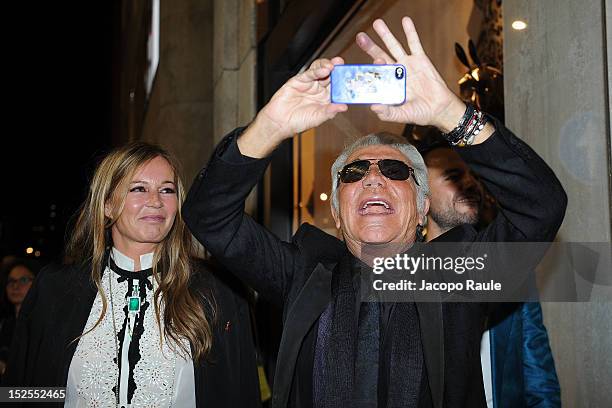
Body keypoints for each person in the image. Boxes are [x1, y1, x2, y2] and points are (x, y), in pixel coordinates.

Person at [183, 16, 567, 407]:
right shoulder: (300, 273)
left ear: (422, 210)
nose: (372, 178)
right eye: (354, 172)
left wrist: (449, 113)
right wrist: (270, 126)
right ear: (336, 210)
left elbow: (541, 205)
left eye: (395, 170)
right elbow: (208, 216)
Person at [3, 142, 261, 407]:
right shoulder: (55, 288)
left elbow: (239, 394)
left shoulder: (216, 292)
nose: (156, 201)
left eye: (167, 190)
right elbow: (20, 391)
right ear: (107, 205)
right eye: (139, 188)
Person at [423, 144, 561, 407]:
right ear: (422, 197)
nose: (470, 183)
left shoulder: (512, 270)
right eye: (453, 176)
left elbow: (539, 379)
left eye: (474, 176)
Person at [0, 258, 40, 377]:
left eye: (23, 280)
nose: (15, 286)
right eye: (11, 281)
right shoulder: (4, 325)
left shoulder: (41, 327)